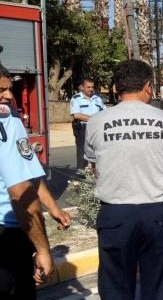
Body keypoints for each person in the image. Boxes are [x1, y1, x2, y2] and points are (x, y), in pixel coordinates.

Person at [84, 59, 163, 300]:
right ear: (148, 86)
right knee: (160, 287)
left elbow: (96, 168)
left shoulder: (96, 122)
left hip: (115, 216)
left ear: (116, 88)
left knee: (115, 287)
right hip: (159, 215)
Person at [0, 63, 71, 300]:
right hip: (8, 236)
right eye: (1, 90)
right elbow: (21, 190)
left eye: (9, 89)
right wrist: (43, 250)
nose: (9, 95)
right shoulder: (6, 123)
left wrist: (53, 208)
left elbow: (28, 172)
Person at [69, 78, 106, 169]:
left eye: (92, 87)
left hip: (97, 129)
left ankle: (97, 177)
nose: (90, 89)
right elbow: (77, 115)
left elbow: (104, 112)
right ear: (82, 87)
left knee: (98, 153)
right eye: (88, 87)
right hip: (83, 129)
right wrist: (95, 119)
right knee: (82, 154)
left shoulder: (97, 99)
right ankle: (81, 180)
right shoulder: (76, 98)